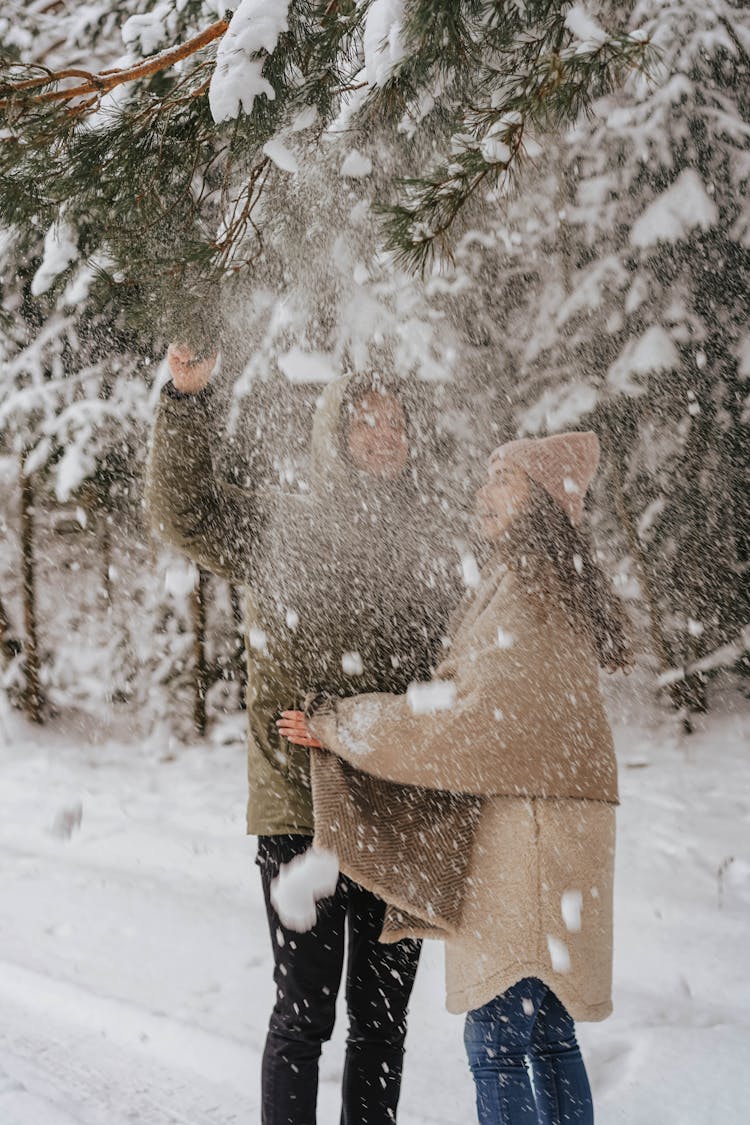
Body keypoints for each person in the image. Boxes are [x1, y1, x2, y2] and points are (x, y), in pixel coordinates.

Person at [145, 343, 467, 1124]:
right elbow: (183, 512)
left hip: (400, 811)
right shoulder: (281, 521)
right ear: (334, 435)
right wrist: (185, 403)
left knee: (382, 1026)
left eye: (397, 423)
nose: (385, 436)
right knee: (304, 1018)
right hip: (303, 811)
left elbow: (455, 672)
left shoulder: (428, 540)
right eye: (366, 424)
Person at [278, 431, 632, 1125]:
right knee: (547, 1032)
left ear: (540, 501)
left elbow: (460, 723)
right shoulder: (546, 580)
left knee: (498, 1035)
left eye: (503, 479)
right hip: (561, 820)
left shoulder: (528, 590)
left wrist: (342, 723)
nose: (483, 490)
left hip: (528, 830)